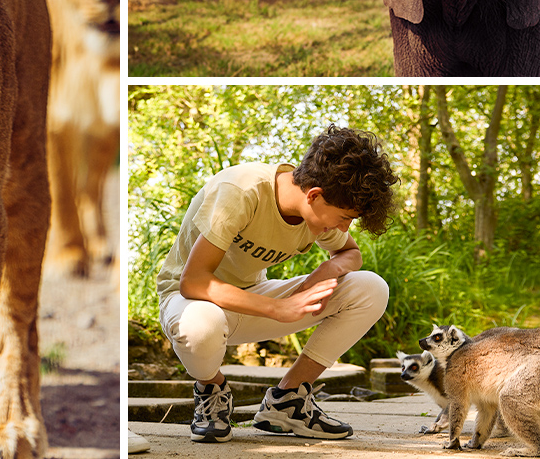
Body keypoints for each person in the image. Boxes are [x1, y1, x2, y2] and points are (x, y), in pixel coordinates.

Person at [155, 125, 398, 443]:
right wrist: (279, 307)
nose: (344, 226)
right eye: (344, 218)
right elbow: (194, 282)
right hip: (189, 301)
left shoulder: (318, 210)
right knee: (203, 324)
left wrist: (328, 269)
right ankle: (211, 390)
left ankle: (288, 401)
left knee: (371, 288)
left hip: (250, 300)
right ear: (314, 196)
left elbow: (350, 254)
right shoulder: (241, 190)